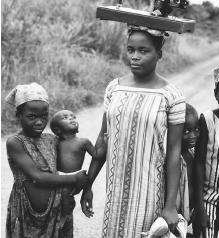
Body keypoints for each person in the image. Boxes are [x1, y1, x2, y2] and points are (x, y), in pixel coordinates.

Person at [80, 25, 186, 238]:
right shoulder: (114, 89)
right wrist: (88, 185)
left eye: (143, 51)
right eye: (131, 50)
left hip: (149, 193)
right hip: (115, 192)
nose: (134, 57)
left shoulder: (171, 96)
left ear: (159, 54)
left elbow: (174, 153)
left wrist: (170, 205)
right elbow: (103, 140)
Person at [5, 82, 89, 238]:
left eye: (44, 116)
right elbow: (38, 177)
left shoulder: (52, 139)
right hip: (27, 214)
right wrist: (74, 179)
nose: (39, 121)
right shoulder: (15, 142)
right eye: (32, 116)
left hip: (58, 211)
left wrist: (86, 187)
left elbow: (71, 162)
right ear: (18, 115)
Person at [193, 64, 219, 238]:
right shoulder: (207, 121)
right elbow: (198, 163)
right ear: (216, 94)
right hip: (211, 203)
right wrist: (199, 208)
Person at [49, 109, 106, 215]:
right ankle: (63, 217)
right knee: (59, 198)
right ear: (57, 130)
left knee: (68, 193)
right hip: (61, 178)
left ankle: (65, 217)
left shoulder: (83, 142)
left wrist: (105, 144)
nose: (71, 118)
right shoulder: (55, 142)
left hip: (77, 179)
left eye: (73, 116)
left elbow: (97, 155)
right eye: (65, 118)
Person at [177, 103, 200, 223]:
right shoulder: (172, 159)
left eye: (196, 129)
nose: (193, 136)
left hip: (191, 215)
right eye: (186, 131)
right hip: (175, 216)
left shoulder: (193, 154)